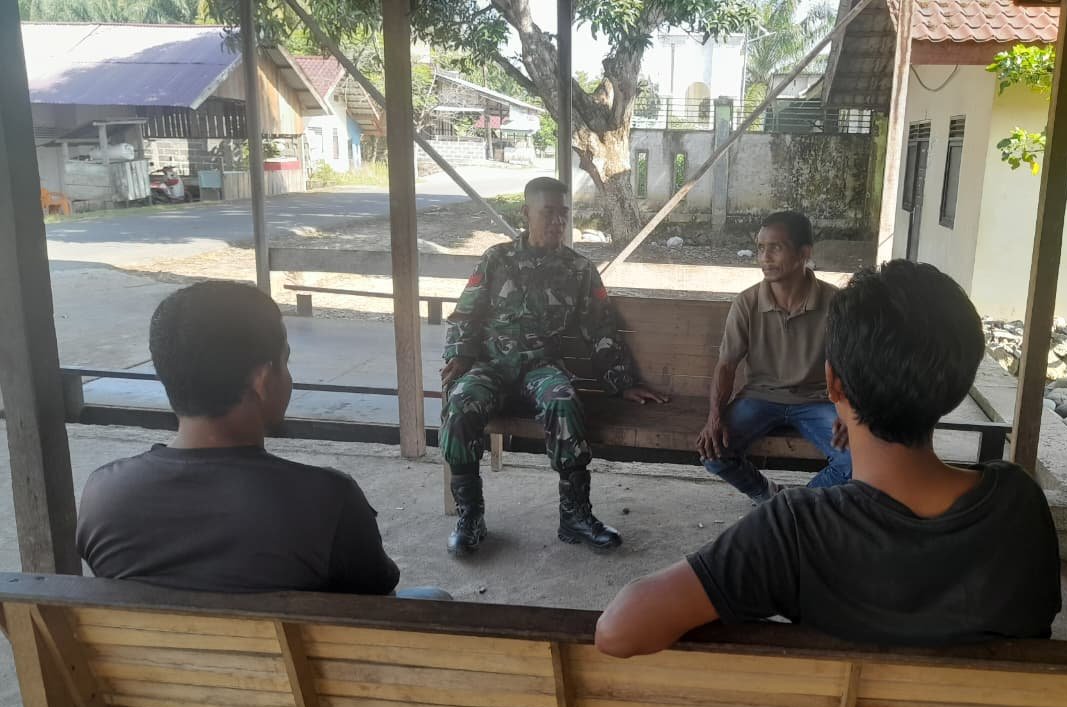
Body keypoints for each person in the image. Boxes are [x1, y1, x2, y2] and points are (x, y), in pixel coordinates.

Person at [594, 260, 1062, 656]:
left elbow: (618, 630)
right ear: (958, 388)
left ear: (833, 384)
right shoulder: (1019, 503)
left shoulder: (794, 530)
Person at [77, 281, 409, 596]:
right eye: (285, 361)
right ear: (262, 381)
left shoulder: (104, 495)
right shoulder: (328, 501)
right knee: (430, 597)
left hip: (148, 641)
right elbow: (380, 605)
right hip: (300, 641)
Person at [439, 177, 668, 555]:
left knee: (563, 402)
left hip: (542, 368)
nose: (558, 221)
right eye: (548, 213)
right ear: (526, 214)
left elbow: (600, 328)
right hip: (491, 365)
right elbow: (466, 313)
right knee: (461, 404)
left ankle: (574, 516)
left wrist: (622, 381)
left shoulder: (578, 269)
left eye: (563, 213)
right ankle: (471, 517)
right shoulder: (496, 259)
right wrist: (459, 356)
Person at [697, 211, 850, 503]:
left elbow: (853, 363)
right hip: (760, 397)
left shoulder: (835, 303)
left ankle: (794, 505)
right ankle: (769, 496)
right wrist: (714, 417)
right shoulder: (747, 302)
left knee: (858, 460)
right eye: (760, 248)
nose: (764, 258)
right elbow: (726, 365)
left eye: (775, 248)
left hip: (818, 399)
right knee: (713, 452)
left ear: (804, 253)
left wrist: (849, 410)